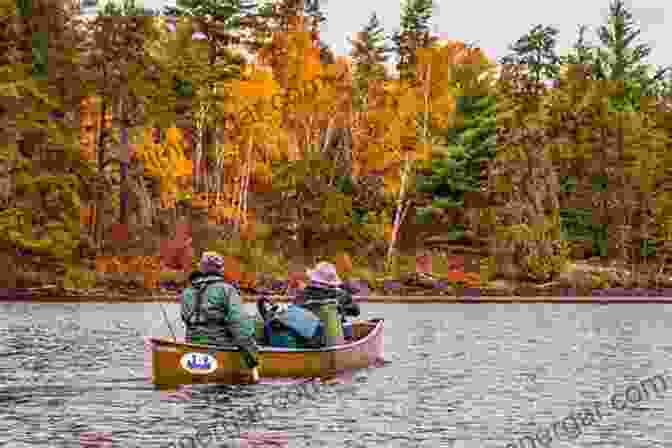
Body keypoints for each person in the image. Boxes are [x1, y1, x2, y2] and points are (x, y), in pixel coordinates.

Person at [180, 251, 260, 383]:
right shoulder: (227, 290)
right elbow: (241, 326)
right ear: (220, 269)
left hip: (192, 344)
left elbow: (186, 318)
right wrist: (252, 356)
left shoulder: (187, 291)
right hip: (220, 346)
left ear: (201, 268)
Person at [293, 261, 361, 345]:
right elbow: (356, 311)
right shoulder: (340, 294)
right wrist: (341, 310)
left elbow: (294, 310)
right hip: (334, 338)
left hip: (306, 339)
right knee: (345, 325)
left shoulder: (303, 294)